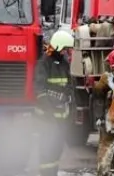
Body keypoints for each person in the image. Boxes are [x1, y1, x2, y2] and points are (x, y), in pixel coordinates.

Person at [34, 29, 76, 176]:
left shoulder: (63, 62)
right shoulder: (44, 63)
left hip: (61, 118)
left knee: (57, 150)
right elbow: (40, 91)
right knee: (47, 150)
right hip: (47, 118)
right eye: (65, 49)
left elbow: (69, 85)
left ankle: (53, 173)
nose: (66, 52)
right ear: (58, 46)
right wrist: (49, 113)